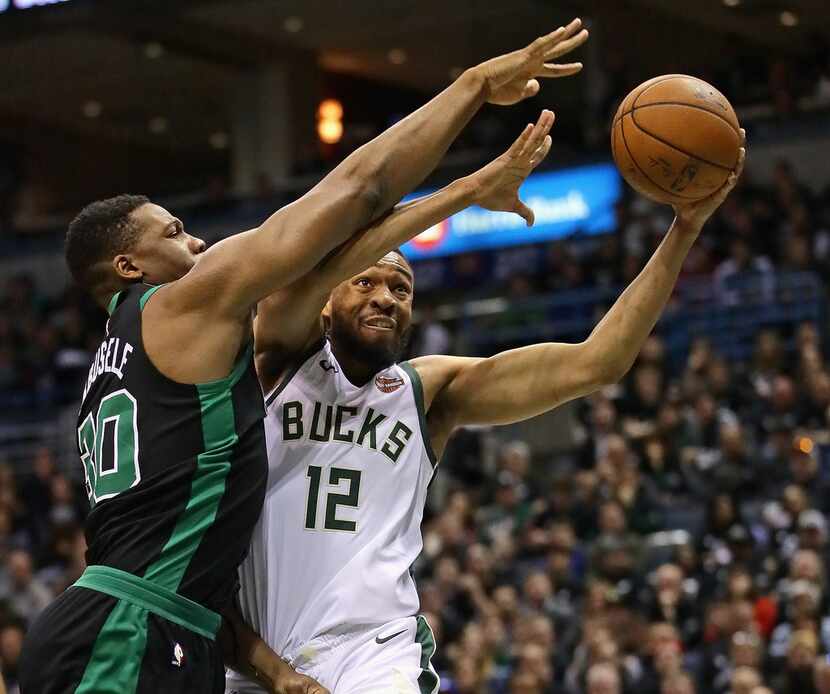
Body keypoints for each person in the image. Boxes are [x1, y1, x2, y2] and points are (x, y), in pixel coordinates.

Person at [18, 18, 587, 692]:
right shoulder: (174, 306)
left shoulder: (123, 352)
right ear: (129, 265)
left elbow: (329, 263)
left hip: (165, 629)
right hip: (131, 626)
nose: (197, 244)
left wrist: (463, 192)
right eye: (174, 232)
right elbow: (355, 193)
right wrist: (470, 88)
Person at [229, 68, 747, 694]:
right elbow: (299, 277)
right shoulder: (276, 357)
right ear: (326, 303)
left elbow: (596, 363)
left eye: (401, 287)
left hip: (374, 649)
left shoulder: (428, 392)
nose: (387, 296)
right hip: (257, 658)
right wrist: (465, 191)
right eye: (365, 282)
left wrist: (684, 229)